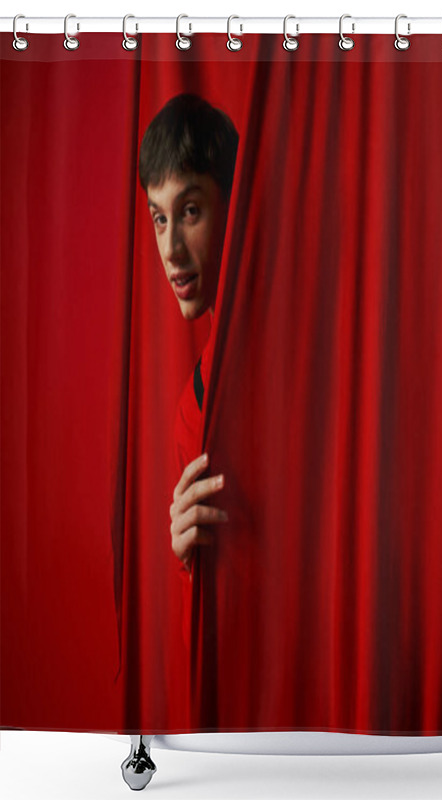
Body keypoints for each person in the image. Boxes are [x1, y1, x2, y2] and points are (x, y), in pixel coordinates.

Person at [138, 93, 239, 574]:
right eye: (160, 218)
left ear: (233, 206)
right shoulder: (192, 411)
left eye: (191, 211)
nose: (171, 249)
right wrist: (187, 561)